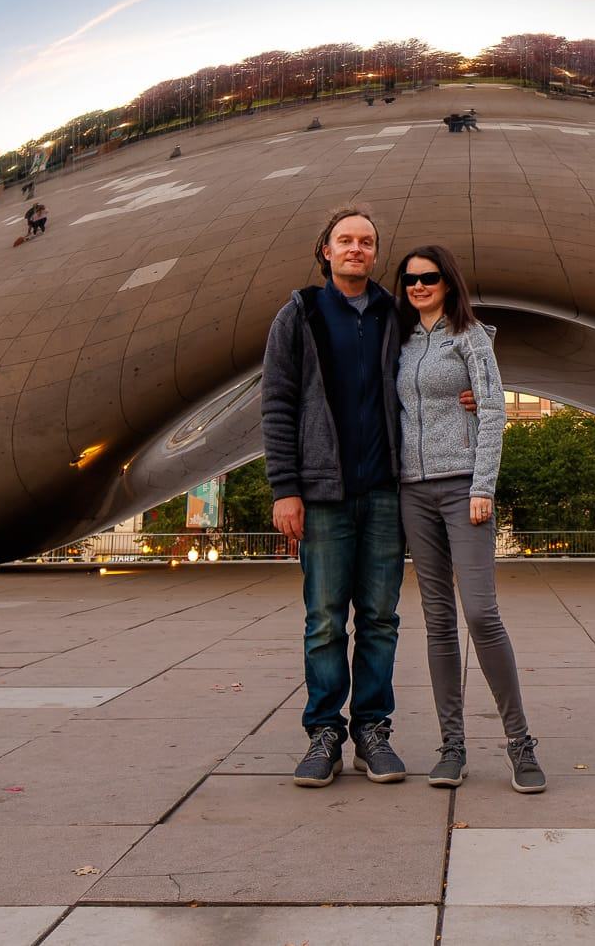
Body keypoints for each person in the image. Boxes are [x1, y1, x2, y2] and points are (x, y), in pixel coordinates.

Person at [261, 206, 413, 788]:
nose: (356, 249)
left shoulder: (393, 314)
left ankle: (373, 731)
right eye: (345, 240)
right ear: (325, 250)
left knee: (380, 619)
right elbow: (277, 405)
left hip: (382, 494)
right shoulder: (298, 314)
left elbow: (431, 378)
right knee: (324, 620)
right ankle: (324, 732)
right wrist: (286, 489)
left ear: (376, 254)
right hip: (322, 496)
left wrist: (470, 397)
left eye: (366, 242)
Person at [393, 244, 544, 794]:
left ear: (448, 283)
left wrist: (483, 486)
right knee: (437, 622)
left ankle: (520, 743)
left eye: (429, 278)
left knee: (481, 614)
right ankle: (451, 746)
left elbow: (494, 407)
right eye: (409, 279)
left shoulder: (470, 337)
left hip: (463, 489)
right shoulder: (400, 342)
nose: (418, 287)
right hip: (412, 492)